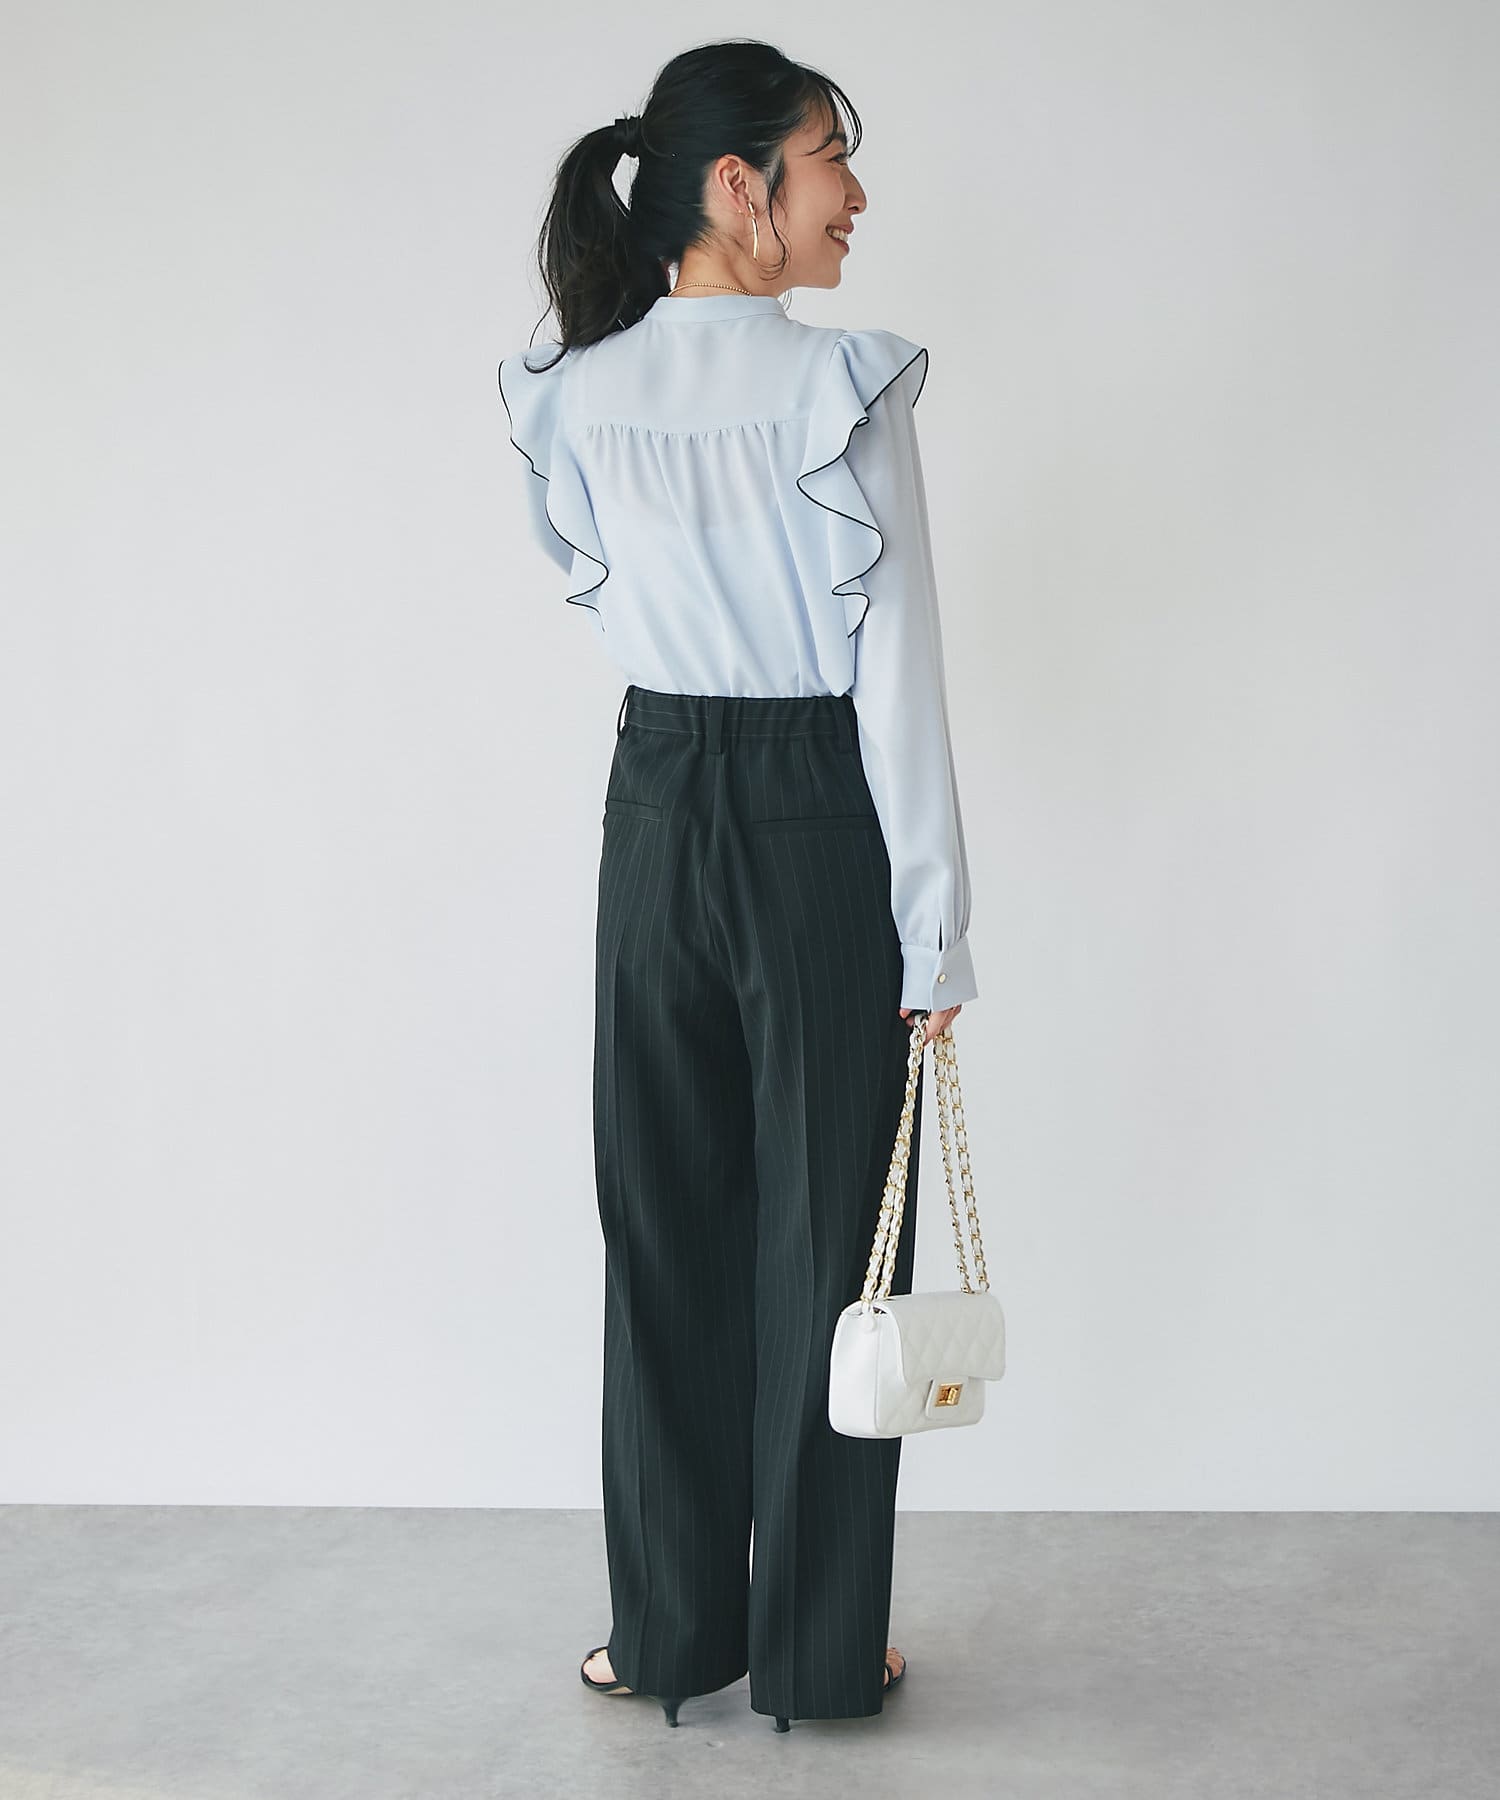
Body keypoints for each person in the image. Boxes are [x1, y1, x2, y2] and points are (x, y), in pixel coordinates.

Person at [497, 39, 977, 1733]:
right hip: (811, 812)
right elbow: (898, 669)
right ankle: (822, 1653)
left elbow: (590, 582)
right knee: (834, 1236)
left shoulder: (576, 388)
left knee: (662, 1220)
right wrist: (935, 926)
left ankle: (667, 1631)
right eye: (830, 155)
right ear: (737, 186)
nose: (856, 193)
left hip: (653, 803)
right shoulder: (837, 385)